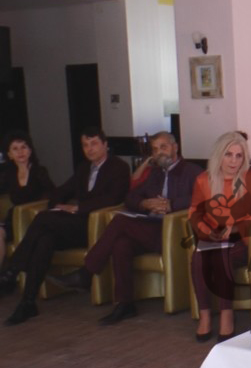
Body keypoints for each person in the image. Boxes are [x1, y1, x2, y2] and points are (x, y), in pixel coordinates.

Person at [45, 132, 202, 325]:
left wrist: (172, 204)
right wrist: (144, 203)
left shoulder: (192, 171)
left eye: (163, 147)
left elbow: (203, 198)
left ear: (175, 147)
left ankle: (86, 273)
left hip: (175, 233)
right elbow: (130, 197)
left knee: (120, 222)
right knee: (121, 244)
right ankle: (125, 304)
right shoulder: (156, 174)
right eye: (155, 149)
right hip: (151, 229)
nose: (159, 153)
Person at [1, 127, 130, 326]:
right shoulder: (83, 168)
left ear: (105, 145)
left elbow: (114, 198)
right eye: (85, 145)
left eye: (94, 144)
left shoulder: (118, 167)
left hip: (98, 225)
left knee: (43, 219)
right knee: (45, 240)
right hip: (75, 225)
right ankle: (27, 302)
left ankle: (13, 269)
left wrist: (78, 207)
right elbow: (60, 191)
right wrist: (57, 205)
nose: (89, 149)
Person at [189, 131, 251, 342]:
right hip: (212, 236)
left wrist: (237, 226)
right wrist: (207, 230)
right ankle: (205, 315)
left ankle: (226, 314)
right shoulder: (203, 180)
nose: (233, 161)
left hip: (242, 239)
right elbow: (194, 212)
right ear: (219, 155)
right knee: (198, 258)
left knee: (222, 255)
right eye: (228, 155)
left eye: (239, 156)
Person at [0, 131, 54, 273]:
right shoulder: (7, 175)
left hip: (35, 218)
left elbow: (52, 194)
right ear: (9, 154)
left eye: (24, 147)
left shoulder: (39, 171)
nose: (20, 152)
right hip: (14, 218)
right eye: (15, 149)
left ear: (30, 151)